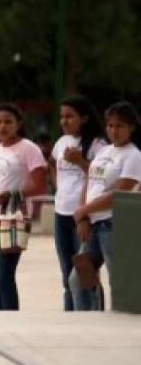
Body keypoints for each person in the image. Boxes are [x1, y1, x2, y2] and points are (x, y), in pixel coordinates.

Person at [0, 103, 47, 311]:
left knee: (4, 274)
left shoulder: (29, 149)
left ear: (19, 124)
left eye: (8, 122)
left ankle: (12, 320)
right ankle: (1, 319)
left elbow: (40, 184)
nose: (2, 127)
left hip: (13, 217)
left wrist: (15, 194)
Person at [73, 101, 141, 307]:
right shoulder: (104, 152)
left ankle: (125, 324)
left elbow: (119, 193)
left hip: (114, 224)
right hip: (93, 223)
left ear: (131, 127)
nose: (114, 130)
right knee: (79, 278)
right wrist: (83, 217)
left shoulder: (134, 156)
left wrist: (85, 210)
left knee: (118, 280)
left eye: (120, 126)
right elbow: (90, 181)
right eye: (110, 125)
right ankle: (90, 321)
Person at [49, 95, 107, 311]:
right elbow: (52, 165)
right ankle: (69, 314)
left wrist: (80, 161)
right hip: (61, 212)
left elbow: (101, 177)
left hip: (84, 215)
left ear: (83, 118)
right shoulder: (62, 142)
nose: (64, 121)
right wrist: (60, 188)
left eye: (70, 116)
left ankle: (92, 312)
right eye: (62, 117)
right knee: (66, 273)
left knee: (84, 272)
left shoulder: (97, 144)